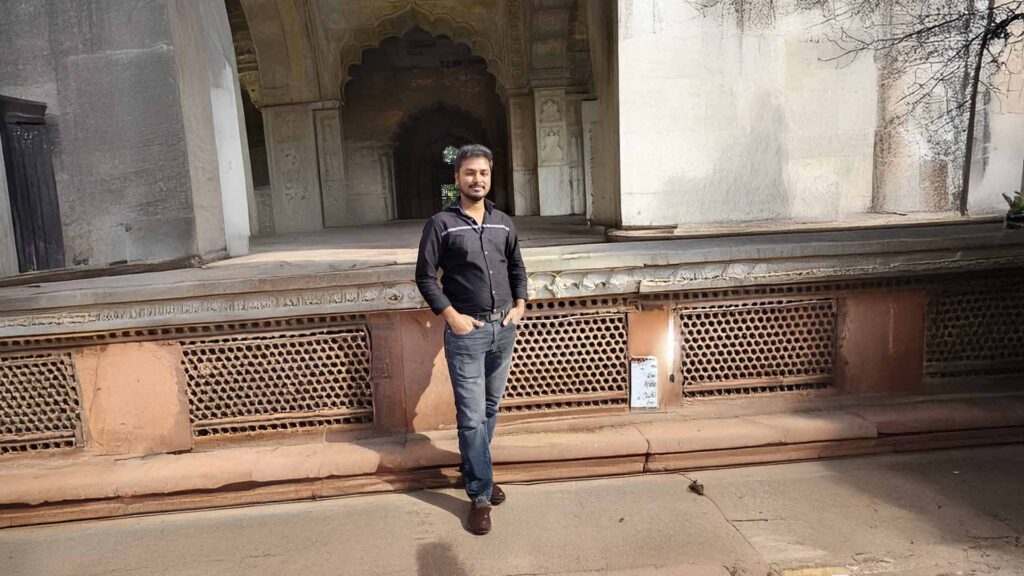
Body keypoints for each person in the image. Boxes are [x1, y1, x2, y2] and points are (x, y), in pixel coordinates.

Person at [415, 144, 527, 535]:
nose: (476, 179)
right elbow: (425, 277)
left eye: (483, 172)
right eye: (469, 173)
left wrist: (520, 305)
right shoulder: (441, 224)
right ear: (457, 178)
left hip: (504, 329)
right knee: (471, 415)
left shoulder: (503, 223)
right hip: (467, 333)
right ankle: (479, 494)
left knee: (490, 407)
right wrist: (452, 317)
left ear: (490, 176)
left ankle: (476, 469)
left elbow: (516, 267)